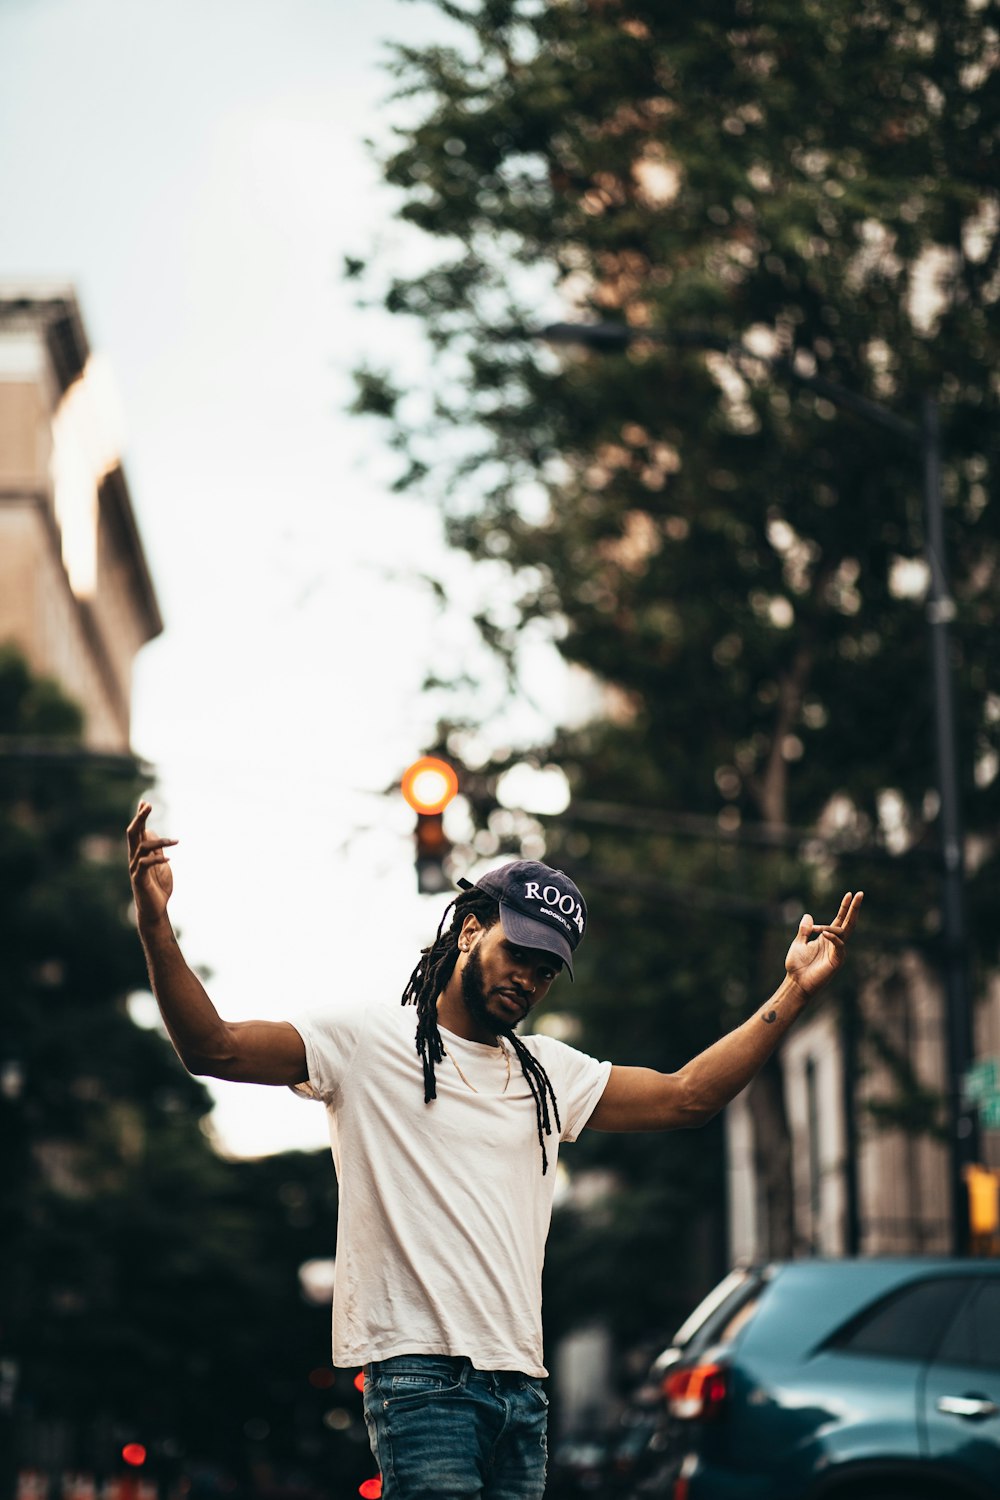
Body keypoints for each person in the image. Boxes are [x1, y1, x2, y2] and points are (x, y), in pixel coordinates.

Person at [126, 800, 862, 1500]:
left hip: (522, 1389)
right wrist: (157, 925)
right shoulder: (366, 1043)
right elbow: (212, 1047)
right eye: (521, 953)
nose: (529, 978)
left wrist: (792, 992)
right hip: (420, 1380)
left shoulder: (548, 1074)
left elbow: (687, 1096)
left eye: (547, 968)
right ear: (471, 928)